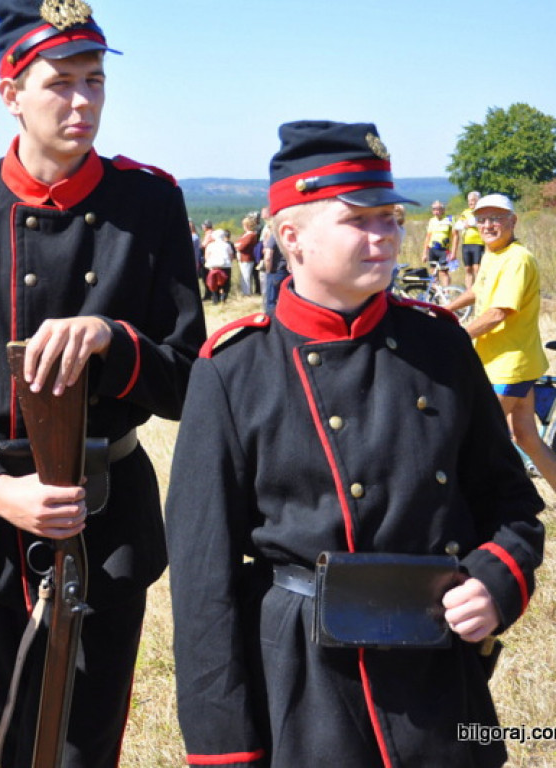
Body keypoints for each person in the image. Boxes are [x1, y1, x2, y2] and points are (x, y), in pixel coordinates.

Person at [166, 121, 545, 768]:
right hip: (305, 685)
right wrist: (226, 750)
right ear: (292, 237)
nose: (386, 236)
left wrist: (495, 581)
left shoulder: (439, 343)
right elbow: (204, 588)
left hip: (439, 684)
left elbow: (511, 504)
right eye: (360, 220)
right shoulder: (233, 370)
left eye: (392, 217)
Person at [0, 3, 205, 766]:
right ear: (11, 93)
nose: (83, 102)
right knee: (6, 740)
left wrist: (113, 341)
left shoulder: (149, 202)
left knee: (83, 748)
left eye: (95, 81)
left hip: (108, 509)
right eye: (60, 83)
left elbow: (193, 378)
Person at [445, 193, 556, 490]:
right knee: (526, 437)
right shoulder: (492, 254)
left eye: (496, 218)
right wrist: (443, 311)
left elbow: (498, 313)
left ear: (513, 221)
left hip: (510, 366)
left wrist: (455, 335)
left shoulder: (518, 259)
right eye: (482, 219)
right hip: (501, 362)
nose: (488, 225)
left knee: (474, 438)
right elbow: (477, 292)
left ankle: (488, 509)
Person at [454, 190, 485, 288]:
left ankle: (480, 289)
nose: (470, 202)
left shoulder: (481, 211)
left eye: (473, 200)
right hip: (466, 244)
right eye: (469, 200)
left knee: (477, 268)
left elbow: (480, 222)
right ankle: (469, 291)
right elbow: (458, 225)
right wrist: (466, 224)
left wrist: (470, 223)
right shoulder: (465, 212)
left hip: (478, 243)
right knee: (468, 268)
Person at [422, 200, 453, 287]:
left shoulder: (449, 219)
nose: (437, 211)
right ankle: (436, 294)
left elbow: (455, 236)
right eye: (434, 209)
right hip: (433, 249)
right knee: (433, 272)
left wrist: (453, 252)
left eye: (439, 209)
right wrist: (424, 253)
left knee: (444, 272)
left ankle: (446, 293)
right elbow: (428, 237)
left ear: (443, 210)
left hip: (444, 250)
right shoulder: (431, 221)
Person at [235, 214, 259, 296]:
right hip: (242, 258)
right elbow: (237, 243)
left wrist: (238, 245)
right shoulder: (245, 234)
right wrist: (238, 245)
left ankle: (247, 292)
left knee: (246, 276)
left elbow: (241, 246)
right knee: (243, 276)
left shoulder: (251, 235)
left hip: (247, 258)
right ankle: (244, 291)